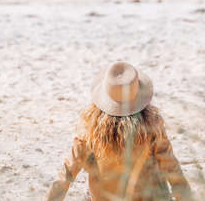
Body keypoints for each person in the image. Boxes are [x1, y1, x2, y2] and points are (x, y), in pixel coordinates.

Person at [46, 62, 192, 201]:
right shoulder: (151, 126)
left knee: (90, 183)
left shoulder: (90, 130)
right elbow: (172, 169)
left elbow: (67, 173)